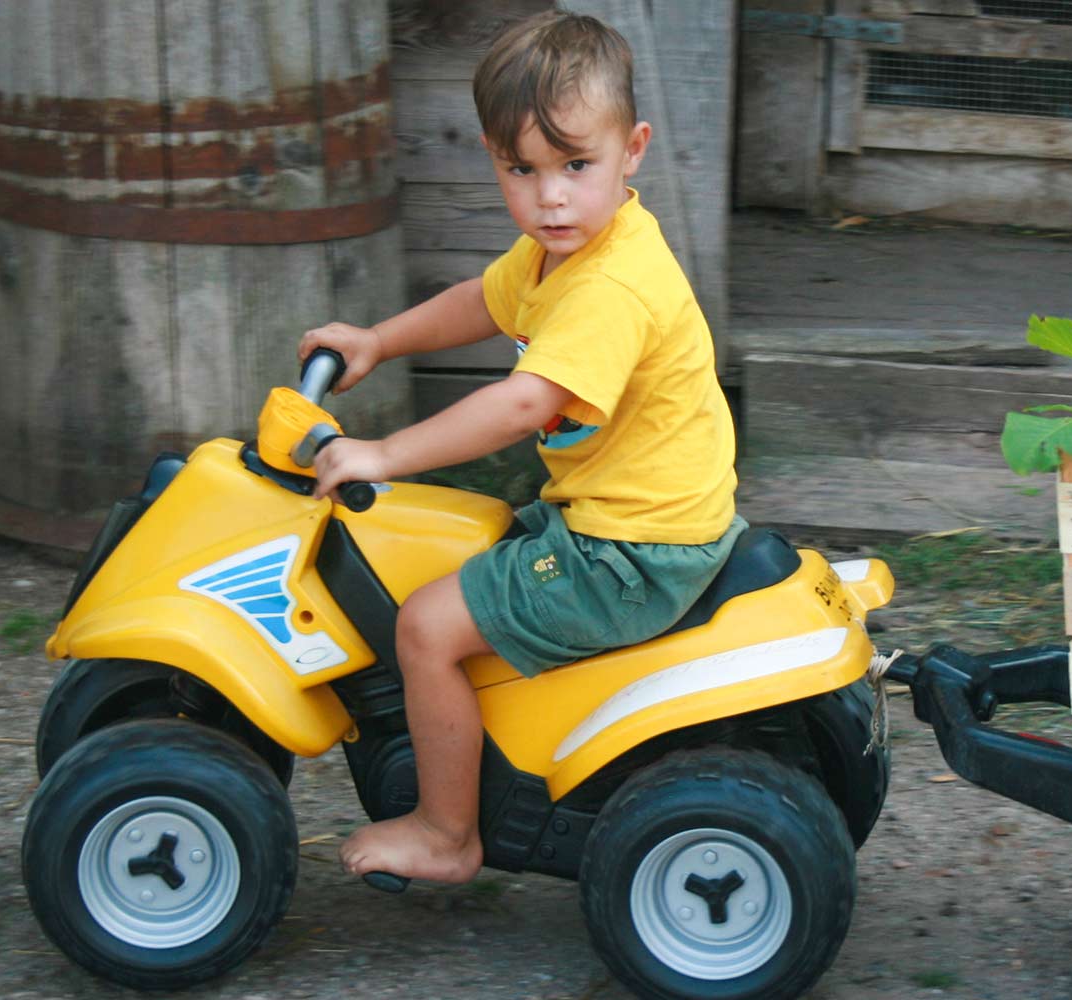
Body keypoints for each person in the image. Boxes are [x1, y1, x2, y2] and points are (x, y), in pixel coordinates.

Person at [295, 10, 742, 885]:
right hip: (626, 512)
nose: (550, 197)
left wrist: (383, 454)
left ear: (633, 148)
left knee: (424, 627)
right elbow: (483, 301)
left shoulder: (611, 286)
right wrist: (379, 341)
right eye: (521, 169)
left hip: (634, 550)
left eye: (576, 165)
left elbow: (522, 404)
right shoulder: (561, 251)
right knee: (457, 548)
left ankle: (446, 833)